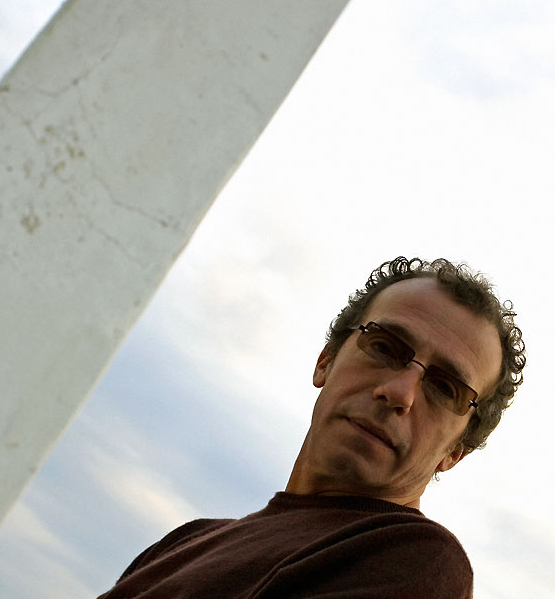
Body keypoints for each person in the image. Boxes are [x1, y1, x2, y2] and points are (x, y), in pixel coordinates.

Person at [97, 256, 526, 599]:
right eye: (385, 347)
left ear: (456, 452)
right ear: (326, 361)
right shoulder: (186, 541)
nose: (400, 392)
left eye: (445, 388)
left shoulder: (418, 560)